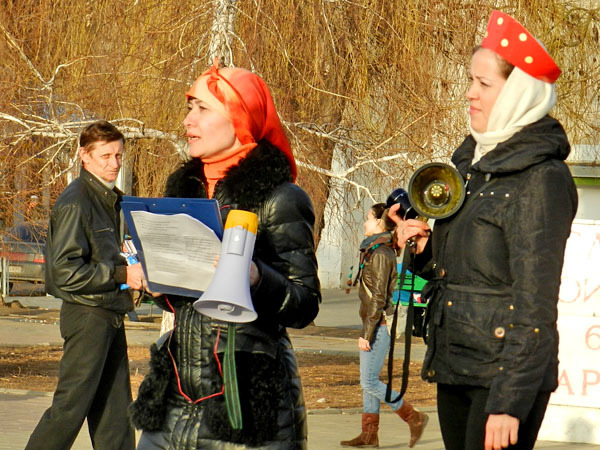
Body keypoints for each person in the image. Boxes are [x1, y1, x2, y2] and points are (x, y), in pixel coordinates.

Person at [390, 10, 578, 450]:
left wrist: (510, 401)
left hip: (500, 380)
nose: (470, 93)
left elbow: (535, 306)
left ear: (517, 94)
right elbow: (469, 272)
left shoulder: (542, 178)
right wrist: (425, 249)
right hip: (456, 364)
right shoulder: (474, 165)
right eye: (471, 80)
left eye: (484, 83)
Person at [129, 60, 321, 449]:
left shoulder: (280, 199)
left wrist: (256, 277)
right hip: (173, 397)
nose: (188, 120)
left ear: (239, 119)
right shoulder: (183, 192)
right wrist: (155, 281)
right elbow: (182, 301)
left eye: (202, 108)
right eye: (189, 107)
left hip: (243, 403)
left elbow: (305, 303)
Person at [26, 120, 146, 450]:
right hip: (87, 316)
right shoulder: (76, 201)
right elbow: (63, 273)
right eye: (105, 155)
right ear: (84, 155)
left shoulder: (111, 200)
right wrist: (121, 275)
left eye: (118, 155)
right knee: (68, 412)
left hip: (109, 314)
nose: (114, 163)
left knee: (115, 417)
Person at [340, 203, 428, 448]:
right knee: (368, 380)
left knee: (369, 382)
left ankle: (414, 417)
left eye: (368, 218)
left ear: (379, 221)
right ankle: (369, 434)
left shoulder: (380, 253)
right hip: (373, 323)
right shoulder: (375, 249)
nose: (365, 222)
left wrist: (367, 333)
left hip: (378, 325)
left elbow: (379, 296)